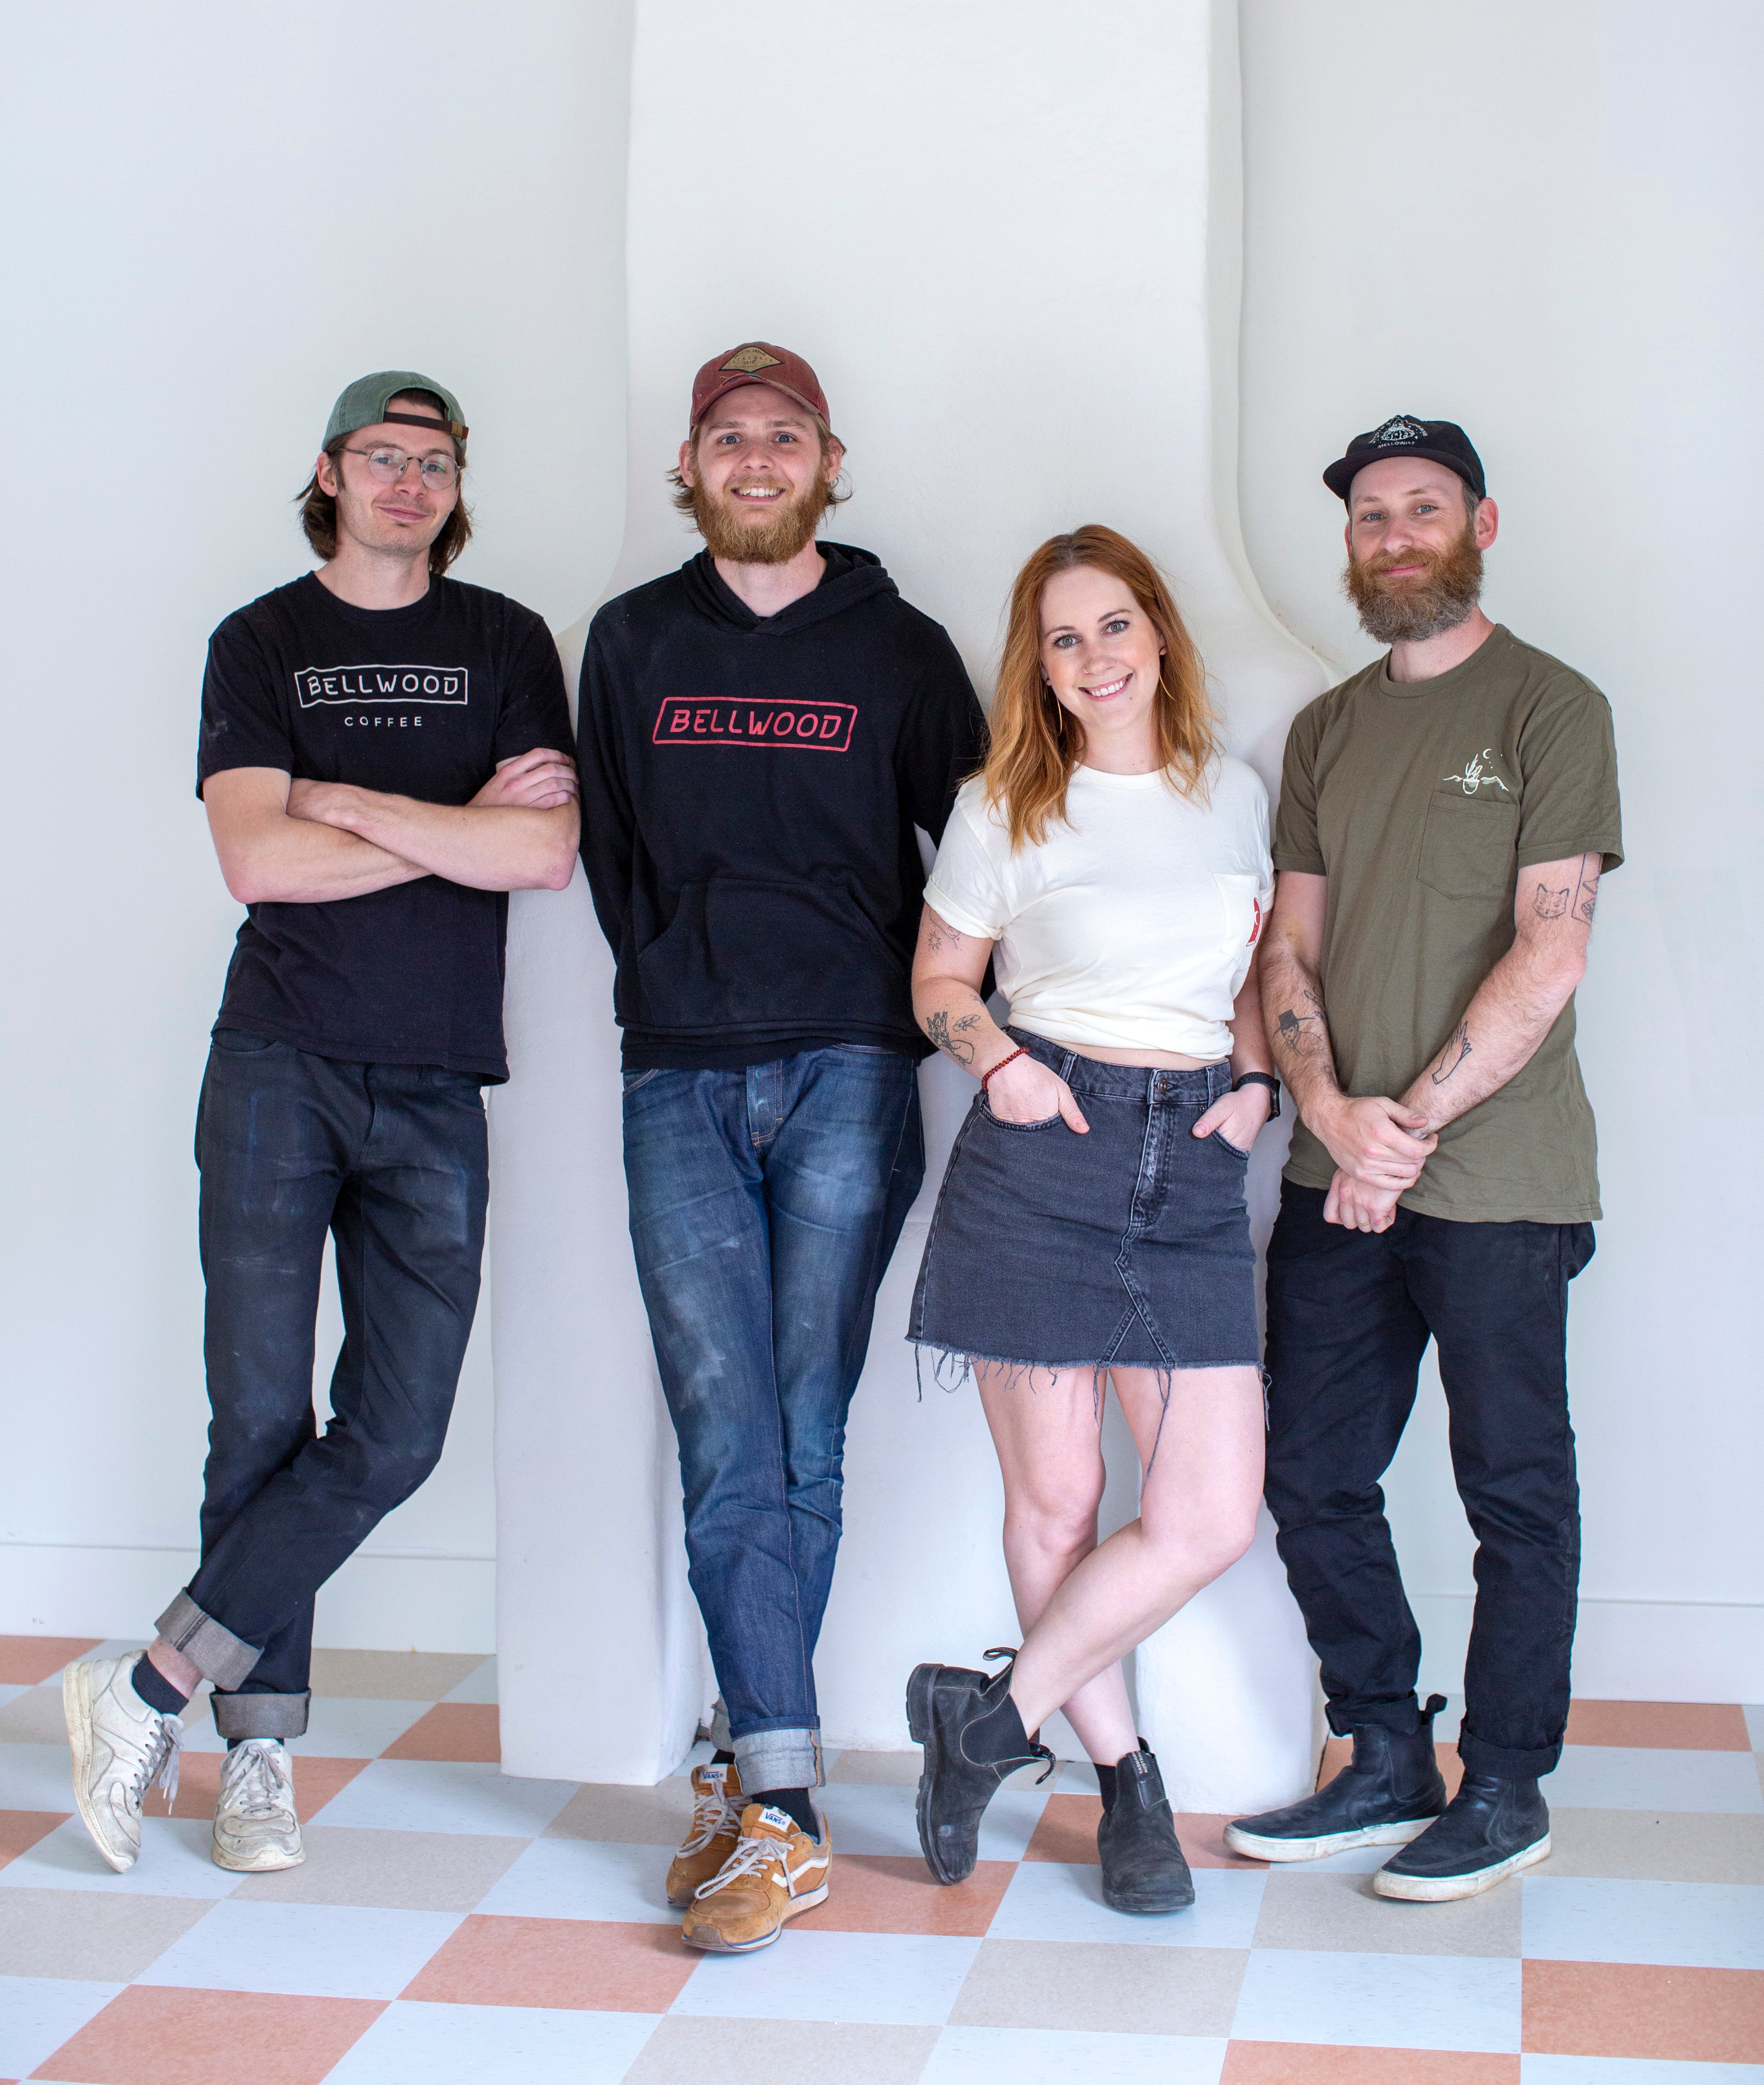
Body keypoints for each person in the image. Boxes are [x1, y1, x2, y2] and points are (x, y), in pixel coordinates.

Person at [64, 373, 577, 1879]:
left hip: (435, 1079)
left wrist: (341, 808)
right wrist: (442, 826)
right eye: (383, 458)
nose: (409, 483)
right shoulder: (263, 639)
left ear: (457, 482)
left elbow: (541, 855)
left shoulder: (503, 641)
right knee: (261, 1418)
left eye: (434, 462)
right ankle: (258, 1756)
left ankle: (150, 1679)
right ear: (330, 472)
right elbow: (255, 864)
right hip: (280, 1062)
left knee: (400, 1429)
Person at [576, 340, 985, 1955]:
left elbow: (982, 853)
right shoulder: (630, 641)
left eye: (785, 437)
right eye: (729, 438)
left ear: (830, 461)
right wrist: (680, 971)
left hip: (851, 1073)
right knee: (727, 1428)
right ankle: (781, 1794)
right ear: (693, 466)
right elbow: (611, 853)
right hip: (678, 1071)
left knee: (801, 1430)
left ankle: (760, 1786)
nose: (757, 459)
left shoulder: (901, 647)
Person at [1226, 414, 1621, 1903]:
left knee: (1514, 1488)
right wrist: (1333, 1119)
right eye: (1372, 517)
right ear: (1350, 545)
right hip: (1338, 1172)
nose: (1396, 536)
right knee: (1313, 1471)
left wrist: (1411, 1127)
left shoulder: (1550, 708)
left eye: (1424, 509)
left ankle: (1506, 1782)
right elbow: (1292, 942)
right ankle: (1383, 1753)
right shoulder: (1329, 728)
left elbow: (1553, 943)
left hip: (1502, 1178)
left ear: (1481, 525)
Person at [903, 525, 1280, 1914]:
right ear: (1041, 669)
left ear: (1160, 634)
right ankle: (1125, 1784)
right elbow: (942, 977)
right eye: (1065, 639)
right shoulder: (1008, 802)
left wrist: (1252, 1081)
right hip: (1043, 1155)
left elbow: (1242, 965)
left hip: (1187, 1168)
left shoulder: (1230, 795)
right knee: (1058, 1503)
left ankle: (991, 1724)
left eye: (1114, 625)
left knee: (1206, 1515)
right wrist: (995, 1061)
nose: (1096, 656)